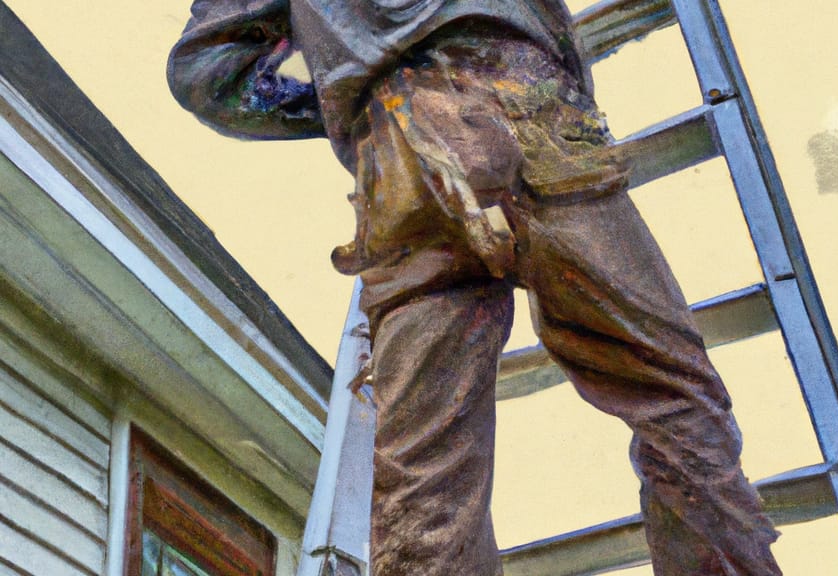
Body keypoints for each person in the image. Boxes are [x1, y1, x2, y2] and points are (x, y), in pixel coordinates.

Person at [168, 1, 782, 574]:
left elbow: (210, 78)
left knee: (426, 478)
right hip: (533, 114)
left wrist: (350, 105)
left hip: (396, 157)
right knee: (673, 400)